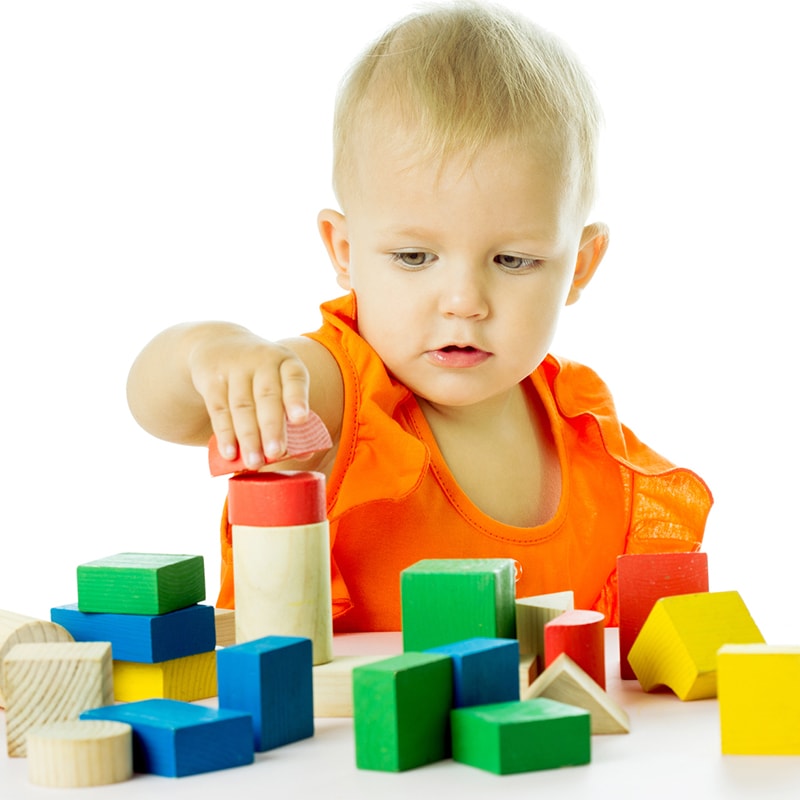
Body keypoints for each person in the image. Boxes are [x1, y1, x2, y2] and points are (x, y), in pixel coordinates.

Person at [126, 1, 712, 631]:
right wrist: (211, 353)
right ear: (345, 253)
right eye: (414, 256)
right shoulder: (339, 392)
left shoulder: (585, 427)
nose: (463, 300)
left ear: (580, 266)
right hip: (355, 732)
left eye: (513, 260)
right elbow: (162, 409)